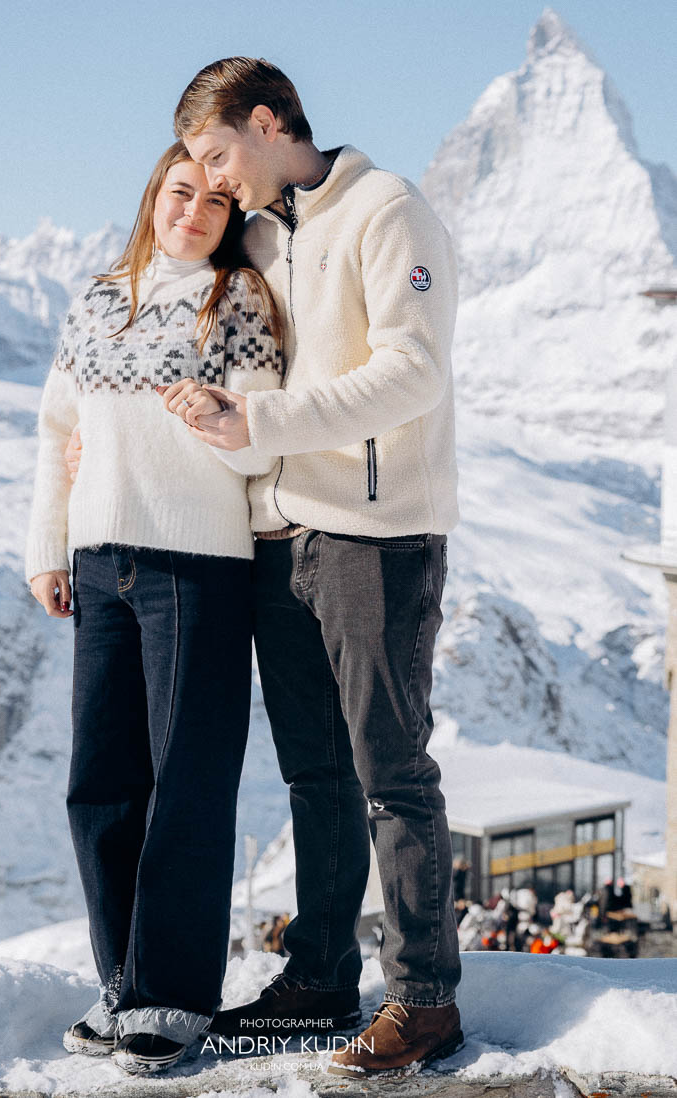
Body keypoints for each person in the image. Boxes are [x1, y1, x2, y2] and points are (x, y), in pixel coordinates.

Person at [169, 57, 464, 1076]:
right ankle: (324, 976)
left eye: (216, 153)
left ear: (266, 122)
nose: (210, 178)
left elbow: (413, 371)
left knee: (389, 770)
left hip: (376, 538)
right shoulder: (259, 238)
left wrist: (266, 422)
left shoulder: (387, 211)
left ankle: (425, 1000)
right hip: (281, 542)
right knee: (318, 776)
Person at [25, 140, 282, 1075]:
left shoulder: (240, 301)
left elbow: (260, 445)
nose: (195, 212)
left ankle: (172, 997)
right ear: (154, 197)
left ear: (227, 218)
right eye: (181, 194)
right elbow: (58, 431)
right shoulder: (99, 297)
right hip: (102, 566)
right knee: (100, 781)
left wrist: (214, 414)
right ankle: (123, 983)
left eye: (215, 201)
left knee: (190, 784)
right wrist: (47, 548)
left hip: (199, 567)